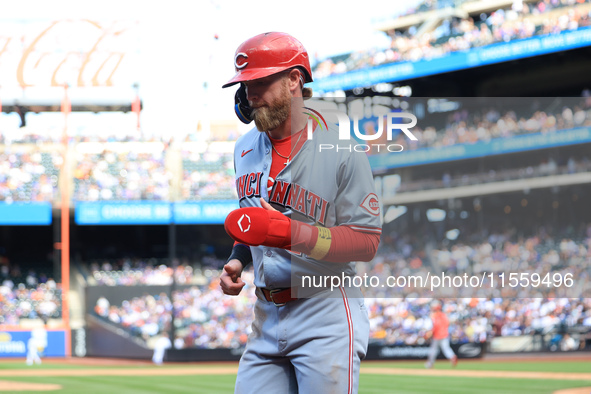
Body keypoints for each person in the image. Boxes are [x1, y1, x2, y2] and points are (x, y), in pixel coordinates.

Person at [219, 32, 382, 393]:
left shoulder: (341, 148)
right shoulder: (243, 149)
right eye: (245, 86)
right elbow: (252, 221)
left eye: (261, 82)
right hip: (265, 314)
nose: (250, 94)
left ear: (295, 79)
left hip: (324, 310)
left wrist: (289, 232)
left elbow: (366, 241)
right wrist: (237, 258)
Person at [425, 300, 458, 369]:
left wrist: (430, 333)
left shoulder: (434, 316)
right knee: (446, 348)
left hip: (437, 335)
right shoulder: (444, 315)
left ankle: (430, 364)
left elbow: (435, 326)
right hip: (445, 335)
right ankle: (452, 356)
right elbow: (447, 324)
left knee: (433, 350)